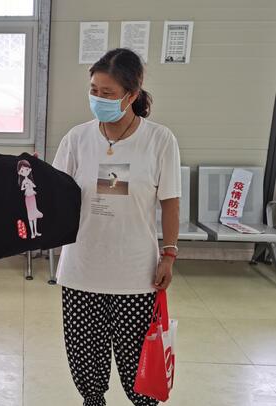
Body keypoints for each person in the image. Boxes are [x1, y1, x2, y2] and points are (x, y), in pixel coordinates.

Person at [52, 48, 181, 406]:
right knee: (86, 369)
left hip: (135, 275)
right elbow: (55, 194)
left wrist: (169, 254)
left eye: (107, 93)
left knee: (138, 372)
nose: (98, 98)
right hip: (82, 271)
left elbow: (171, 202)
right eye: (93, 90)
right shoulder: (77, 139)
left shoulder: (159, 140)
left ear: (132, 94)